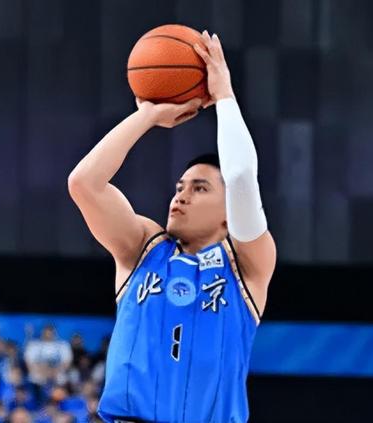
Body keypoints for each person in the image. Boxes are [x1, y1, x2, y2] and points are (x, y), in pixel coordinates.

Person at [68, 30, 276, 423]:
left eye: (199, 188)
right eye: (179, 187)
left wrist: (225, 96)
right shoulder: (142, 248)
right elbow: (84, 184)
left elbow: (241, 177)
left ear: (229, 211)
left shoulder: (247, 264)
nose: (180, 196)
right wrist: (148, 115)